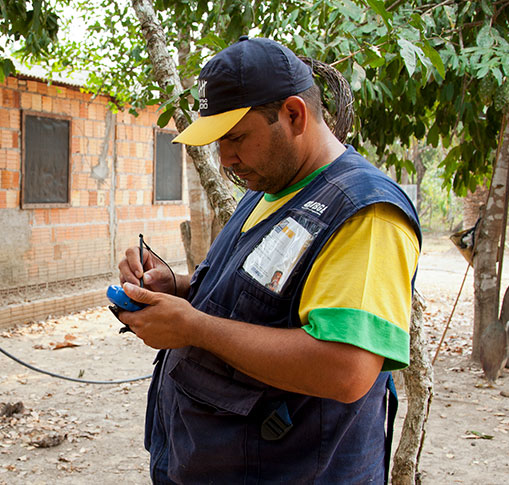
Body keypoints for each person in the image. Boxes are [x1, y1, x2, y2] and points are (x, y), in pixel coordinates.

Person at [115, 36, 421, 483]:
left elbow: (347, 369)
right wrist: (177, 288)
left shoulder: (365, 214)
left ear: (294, 115)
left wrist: (194, 328)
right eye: (219, 141)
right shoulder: (267, 188)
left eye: (237, 137)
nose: (226, 159)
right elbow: (256, 296)